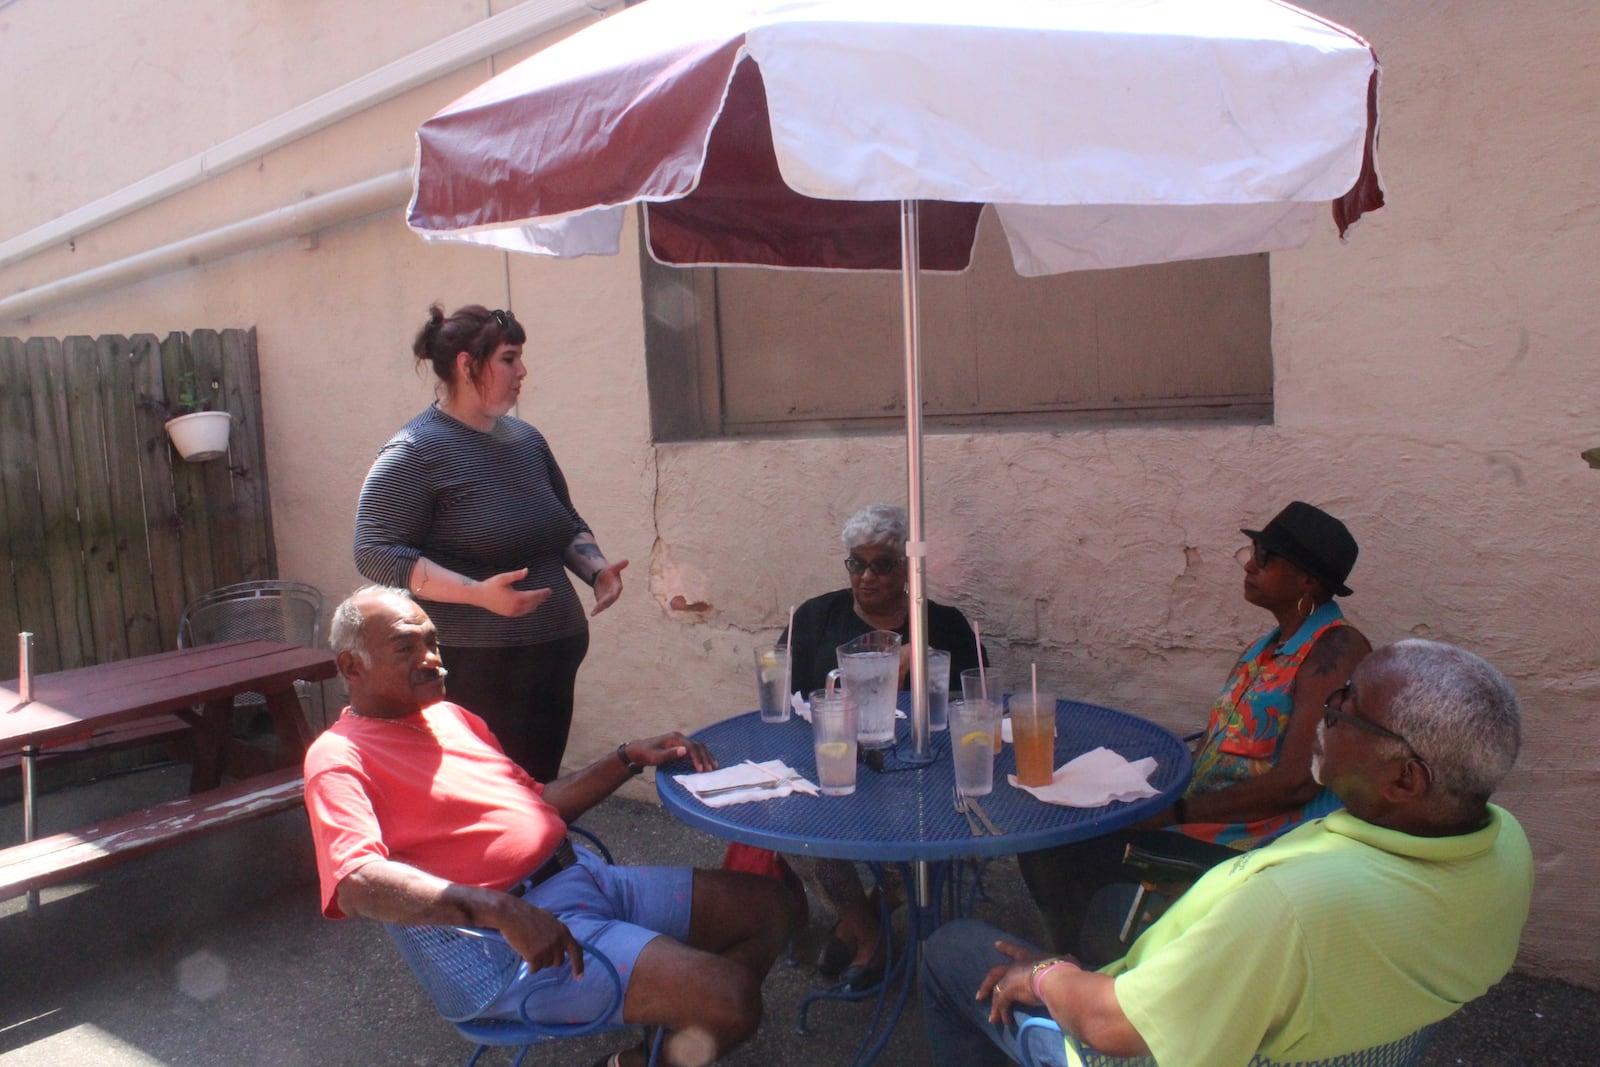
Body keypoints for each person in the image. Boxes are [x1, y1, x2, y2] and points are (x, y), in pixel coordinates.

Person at [922, 639, 1533, 1067]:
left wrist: (1049, 974)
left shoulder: (1290, 907)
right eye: (1339, 692)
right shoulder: (1504, 844)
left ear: (1405, 781)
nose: (1326, 710)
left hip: (1135, 1046)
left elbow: (1111, 1027)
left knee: (950, 949)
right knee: (1107, 909)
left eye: (1348, 712)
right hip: (1344, 1028)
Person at [304, 587, 791, 1067]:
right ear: (352, 666)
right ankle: (666, 1039)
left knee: (776, 906)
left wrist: (627, 758)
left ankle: (675, 1025)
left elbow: (539, 805)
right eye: (406, 647)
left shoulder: (450, 717)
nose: (432, 658)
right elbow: (356, 883)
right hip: (508, 948)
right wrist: (502, 911)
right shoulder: (338, 757)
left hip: (585, 881)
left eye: (432, 642)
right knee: (731, 997)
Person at [1019, 501, 1371, 959]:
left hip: (1254, 850)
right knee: (1060, 829)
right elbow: (1218, 747)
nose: (1249, 565)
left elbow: (1299, 781)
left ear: (1308, 580)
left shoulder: (1336, 649)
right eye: (1251, 551)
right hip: (1203, 822)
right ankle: (1092, 965)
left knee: (1062, 851)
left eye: (1266, 557)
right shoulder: (1265, 649)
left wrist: (1175, 812)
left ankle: (1087, 981)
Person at [353, 303, 628, 782]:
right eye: (509, 358)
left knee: (537, 793)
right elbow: (374, 549)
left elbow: (564, 522)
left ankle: (547, 857)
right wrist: (476, 594)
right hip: (477, 670)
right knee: (491, 801)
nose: (522, 371)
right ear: (466, 364)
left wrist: (597, 571)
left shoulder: (527, 440)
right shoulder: (416, 450)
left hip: (553, 657)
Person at [780, 503, 984, 988]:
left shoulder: (945, 627)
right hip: (831, 769)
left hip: (919, 777)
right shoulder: (814, 618)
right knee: (791, 826)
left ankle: (861, 922)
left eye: (882, 565)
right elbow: (788, 704)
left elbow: (968, 712)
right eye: (857, 564)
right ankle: (868, 931)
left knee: (931, 836)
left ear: (909, 568)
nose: (867, 577)